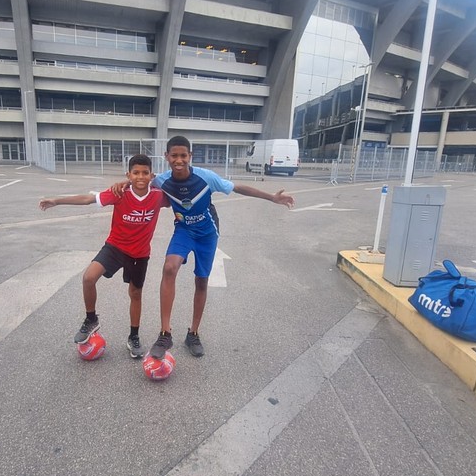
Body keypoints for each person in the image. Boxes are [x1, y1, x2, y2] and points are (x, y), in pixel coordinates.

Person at [114, 136, 295, 360]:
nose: (178, 160)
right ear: (167, 157)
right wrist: (123, 184)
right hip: (183, 230)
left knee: (201, 281)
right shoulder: (162, 180)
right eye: (174, 156)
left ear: (190, 156)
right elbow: (140, 181)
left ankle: (193, 333)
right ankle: (165, 333)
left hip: (207, 234)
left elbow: (238, 187)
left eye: (183, 155)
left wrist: (272, 198)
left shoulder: (205, 177)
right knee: (169, 268)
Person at [39, 154, 168, 358]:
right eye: (135, 173)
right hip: (115, 247)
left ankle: (133, 336)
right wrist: (57, 200)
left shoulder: (158, 196)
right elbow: (89, 198)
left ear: (152, 175)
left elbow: (178, 193)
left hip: (140, 253)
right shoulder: (119, 193)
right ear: (128, 174)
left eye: (145, 173)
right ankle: (91, 319)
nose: (140, 177)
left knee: (135, 294)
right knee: (88, 278)